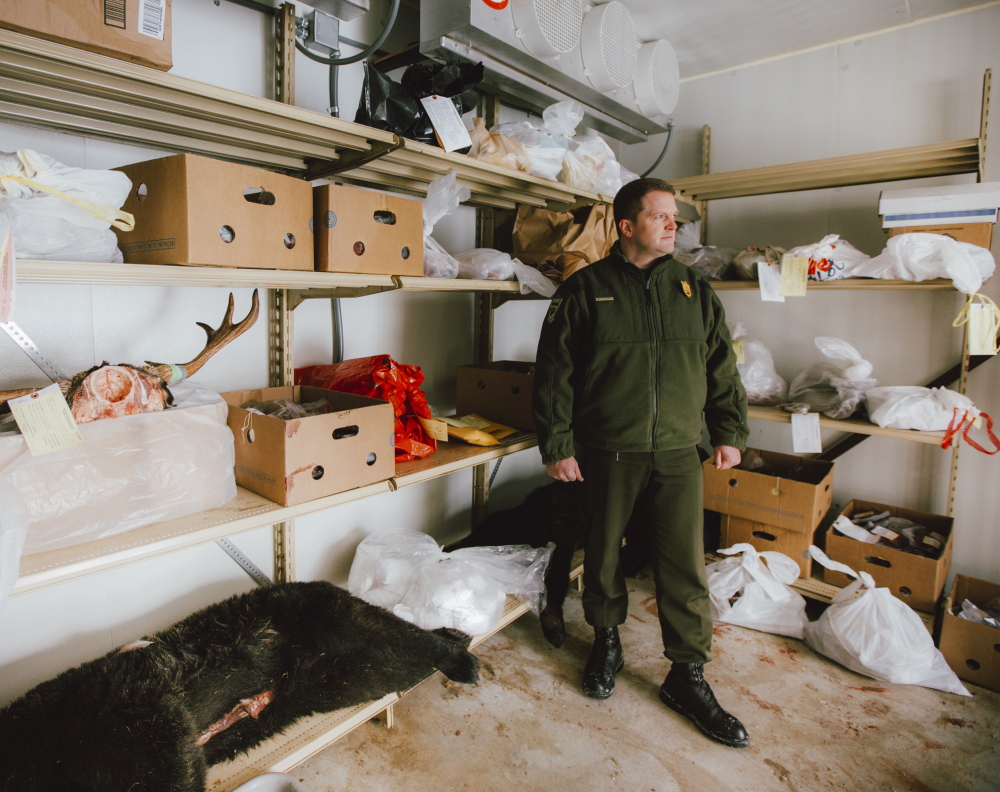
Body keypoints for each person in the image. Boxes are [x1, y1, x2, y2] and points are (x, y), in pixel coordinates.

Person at [531, 177, 750, 748]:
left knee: (684, 564)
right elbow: (554, 374)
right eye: (660, 216)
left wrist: (728, 431)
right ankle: (606, 642)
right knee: (603, 554)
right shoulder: (584, 290)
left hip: (680, 450)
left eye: (674, 216)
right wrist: (558, 444)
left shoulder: (695, 291)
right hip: (609, 449)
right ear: (627, 226)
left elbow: (722, 368)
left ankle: (686, 673)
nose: (673, 225)